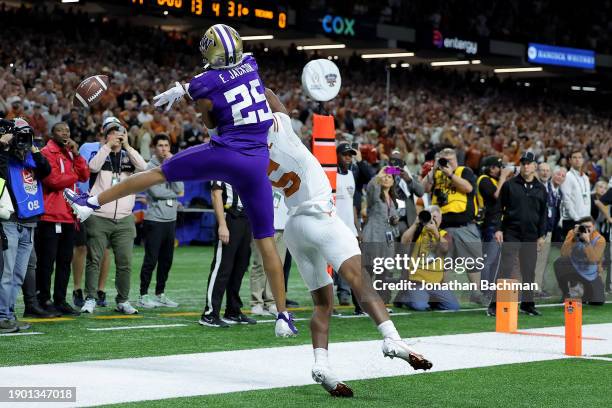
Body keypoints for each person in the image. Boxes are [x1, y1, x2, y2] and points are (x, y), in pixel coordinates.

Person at [64, 24, 296, 337]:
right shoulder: (251, 64)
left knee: (158, 171)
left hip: (226, 152)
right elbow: (232, 84)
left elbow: (208, 110)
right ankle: (282, 315)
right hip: (257, 162)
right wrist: (186, 90)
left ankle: (90, 203)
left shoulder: (204, 81)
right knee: (266, 240)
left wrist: (186, 92)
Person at [265, 91, 431, 397]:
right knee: (360, 280)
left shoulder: (252, 153)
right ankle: (391, 337)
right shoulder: (282, 130)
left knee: (322, 303)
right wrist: (248, 77)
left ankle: (321, 363)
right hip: (320, 218)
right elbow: (278, 105)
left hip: (295, 227)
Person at [79, 117, 147, 314]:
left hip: (125, 218)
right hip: (99, 216)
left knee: (125, 262)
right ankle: (90, 298)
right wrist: (108, 146)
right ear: (106, 135)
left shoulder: (129, 156)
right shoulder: (99, 153)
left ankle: (123, 300)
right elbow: (92, 167)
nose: (117, 136)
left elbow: (143, 168)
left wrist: (127, 146)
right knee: (94, 260)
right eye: (113, 132)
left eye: (121, 133)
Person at [0, 118, 51, 333]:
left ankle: (9, 315)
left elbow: (47, 170)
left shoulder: (31, 158)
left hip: (29, 223)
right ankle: (2, 316)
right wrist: (3, 145)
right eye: (20, 135)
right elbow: (1, 172)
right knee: (7, 273)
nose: (22, 140)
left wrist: (32, 146)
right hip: (10, 222)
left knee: (19, 274)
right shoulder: (4, 157)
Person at [35, 122, 89, 316]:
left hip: (68, 216)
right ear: (52, 133)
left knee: (65, 261)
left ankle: (60, 300)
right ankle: (43, 299)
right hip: (50, 215)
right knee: (47, 262)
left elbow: (85, 175)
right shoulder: (46, 152)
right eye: (60, 130)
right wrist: (73, 175)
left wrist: (77, 154)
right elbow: (53, 181)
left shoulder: (69, 153)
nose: (65, 133)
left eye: (67, 130)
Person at [489, 152, 547, 316]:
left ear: (535, 166)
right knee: (505, 269)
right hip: (511, 232)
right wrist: (498, 229)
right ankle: (495, 304)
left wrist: (541, 235)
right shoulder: (509, 185)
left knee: (529, 270)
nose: (526, 166)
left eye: (529, 163)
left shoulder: (541, 189)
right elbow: (499, 208)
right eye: (523, 163)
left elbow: (543, 215)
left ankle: (527, 304)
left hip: (531, 234)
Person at [423, 148, 484, 304]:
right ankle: (445, 296)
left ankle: (476, 293)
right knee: (444, 262)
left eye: (449, 160)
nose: (446, 163)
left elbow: (468, 188)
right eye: (444, 160)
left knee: (473, 260)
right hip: (442, 226)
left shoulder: (464, 171)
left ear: (456, 160)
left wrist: (450, 173)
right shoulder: (435, 174)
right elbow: (423, 189)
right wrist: (433, 169)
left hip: (464, 225)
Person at [200, 181, 256, 327]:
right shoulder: (222, 166)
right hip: (230, 216)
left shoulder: (245, 166)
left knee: (240, 267)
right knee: (222, 267)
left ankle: (233, 310)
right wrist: (222, 225)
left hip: (246, 217)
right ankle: (210, 314)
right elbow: (216, 194)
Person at [137, 134, 183, 309]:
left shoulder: (173, 165)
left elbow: (180, 190)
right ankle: (143, 295)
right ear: (154, 148)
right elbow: (156, 193)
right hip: (155, 219)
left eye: (166, 145)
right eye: (160, 145)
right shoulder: (150, 168)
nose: (164, 149)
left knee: (166, 260)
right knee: (151, 259)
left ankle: (160, 294)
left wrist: (171, 169)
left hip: (171, 219)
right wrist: (171, 185)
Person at [72, 132, 111, 308]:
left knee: (104, 250)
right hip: (84, 202)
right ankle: (77, 288)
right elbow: (83, 171)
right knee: (80, 246)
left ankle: (100, 290)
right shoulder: (88, 147)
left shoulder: (121, 151)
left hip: (105, 204)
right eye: (111, 130)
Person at [396, 206, 460, 311]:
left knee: (453, 307)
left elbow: (445, 248)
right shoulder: (418, 232)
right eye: (430, 217)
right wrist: (415, 224)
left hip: (436, 283)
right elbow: (404, 241)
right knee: (420, 307)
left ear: (441, 218)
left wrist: (435, 231)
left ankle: (430, 299)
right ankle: (405, 297)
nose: (433, 220)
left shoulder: (445, 234)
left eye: (435, 217)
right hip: (416, 281)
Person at [476, 156, 513, 292]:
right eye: (499, 167)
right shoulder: (483, 180)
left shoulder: (495, 180)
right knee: (489, 259)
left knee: (496, 260)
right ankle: (485, 290)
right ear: (492, 168)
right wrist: (503, 177)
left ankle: (491, 289)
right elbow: (497, 196)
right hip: (489, 224)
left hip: (497, 224)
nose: (501, 170)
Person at [249, 191, 288, 316]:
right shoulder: (261, 176)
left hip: (283, 226)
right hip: (262, 226)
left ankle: (271, 301)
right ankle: (256, 302)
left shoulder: (288, 178)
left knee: (278, 266)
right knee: (259, 264)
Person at [554, 216, 605, 305]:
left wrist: (587, 242)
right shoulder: (572, 233)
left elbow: (593, 260)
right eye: (583, 227)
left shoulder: (600, 239)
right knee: (559, 262)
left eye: (589, 227)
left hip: (590, 272)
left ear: (594, 227)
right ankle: (566, 293)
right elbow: (564, 254)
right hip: (574, 268)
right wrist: (573, 238)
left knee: (598, 301)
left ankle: (587, 292)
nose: (586, 229)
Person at [335, 143, 361, 306]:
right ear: (336, 155)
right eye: (345, 154)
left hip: (349, 227)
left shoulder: (352, 174)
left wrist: (357, 228)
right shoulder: (331, 174)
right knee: (333, 264)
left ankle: (350, 296)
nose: (348, 158)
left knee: (350, 262)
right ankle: (336, 295)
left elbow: (352, 204)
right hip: (334, 225)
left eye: (350, 155)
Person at [534, 164, 565, 294]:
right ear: (537, 172)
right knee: (532, 260)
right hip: (536, 230)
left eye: (547, 171)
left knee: (542, 261)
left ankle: (537, 288)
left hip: (548, 230)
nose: (545, 173)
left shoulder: (553, 189)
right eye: (542, 170)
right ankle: (529, 289)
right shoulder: (535, 186)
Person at [561, 150, 591, 237]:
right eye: (574, 157)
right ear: (570, 160)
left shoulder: (585, 177)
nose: (577, 160)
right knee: (572, 250)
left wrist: (588, 219)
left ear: (583, 160)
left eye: (579, 157)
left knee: (584, 249)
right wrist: (576, 219)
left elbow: (587, 199)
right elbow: (566, 199)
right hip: (572, 221)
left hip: (585, 220)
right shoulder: (568, 176)